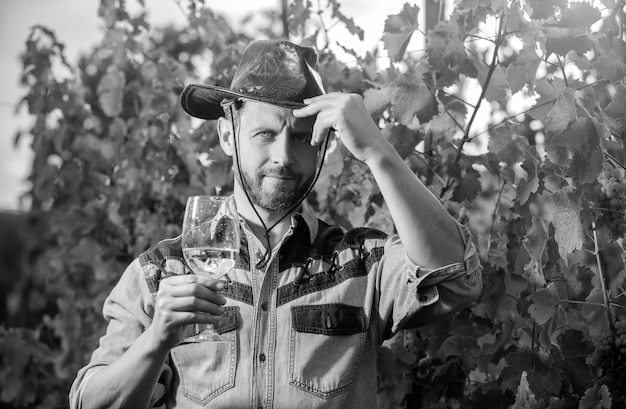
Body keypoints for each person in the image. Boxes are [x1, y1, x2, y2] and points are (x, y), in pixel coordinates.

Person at [70, 39, 483, 409]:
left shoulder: (362, 262)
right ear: (228, 137)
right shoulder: (162, 272)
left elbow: (457, 278)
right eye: (265, 134)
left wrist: (378, 151)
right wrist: (156, 339)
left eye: (302, 138)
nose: (284, 156)